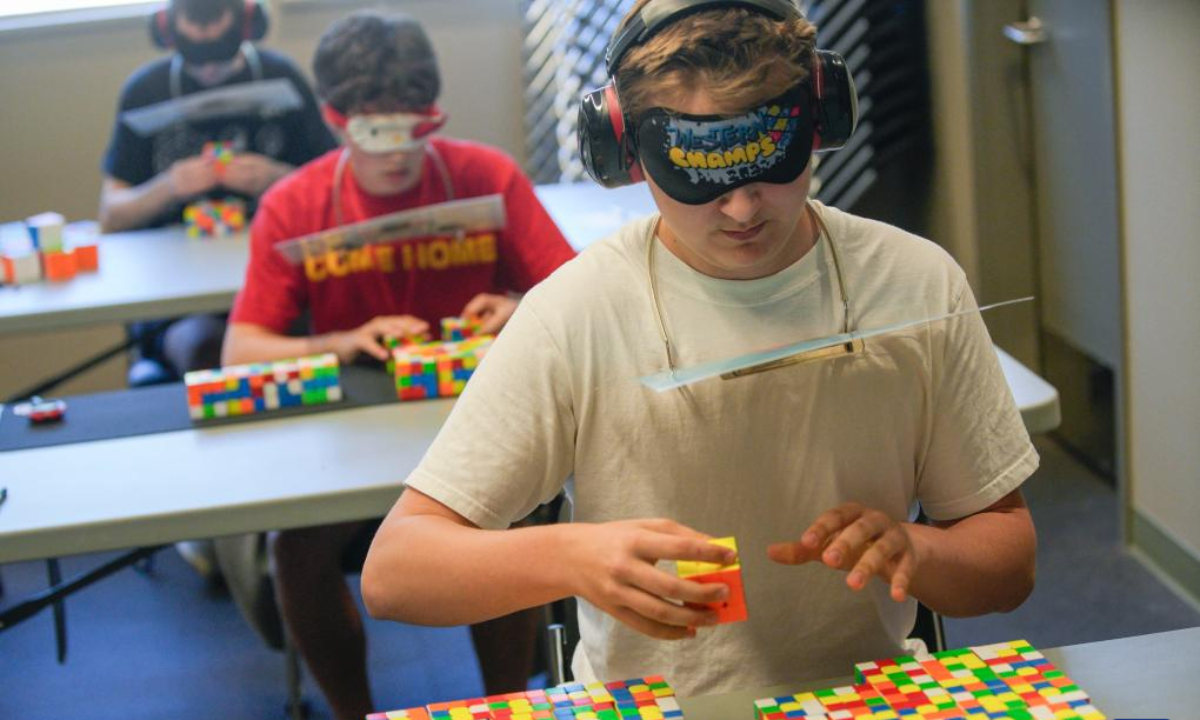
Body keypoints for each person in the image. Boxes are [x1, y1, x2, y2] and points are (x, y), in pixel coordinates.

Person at [360, 0, 1039, 698]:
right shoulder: (577, 313)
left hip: (864, 694)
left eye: (770, 164)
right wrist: (569, 555)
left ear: (819, 116)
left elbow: (1008, 562)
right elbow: (397, 572)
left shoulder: (915, 282)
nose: (743, 211)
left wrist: (919, 549)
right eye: (701, 177)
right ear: (623, 148)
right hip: (656, 703)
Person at [222, 12, 577, 720]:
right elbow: (242, 349)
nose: (397, 155)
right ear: (332, 119)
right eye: (374, 134)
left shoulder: (485, 176)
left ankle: (508, 704)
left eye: (417, 129)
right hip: (351, 440)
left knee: (497, 528)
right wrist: (345, 340)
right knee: (296, 547)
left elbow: (578, 297)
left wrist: (521, 307)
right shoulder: (293, 205)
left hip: (476, 424)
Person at [99, 0, 337, 383]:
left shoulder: (282, 77)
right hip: (178, 297)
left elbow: (338, 188)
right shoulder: (146, 90)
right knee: (206, 349)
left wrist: (277, 180)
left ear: (247, 22)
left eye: (220, 55)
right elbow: (111, 214)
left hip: (275, 280)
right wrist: (169, 186)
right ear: (167, 30)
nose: (209, 69)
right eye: (197, 57)